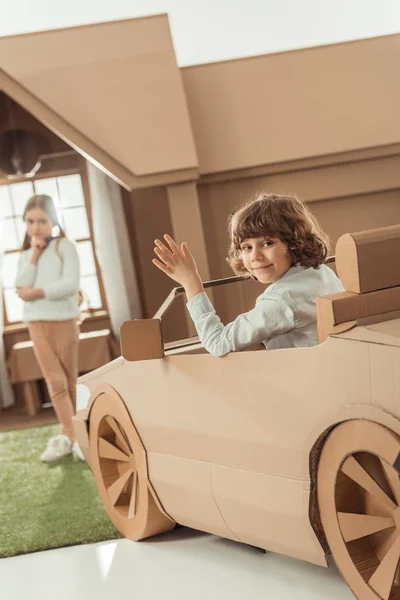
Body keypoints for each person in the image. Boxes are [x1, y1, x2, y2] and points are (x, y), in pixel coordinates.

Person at [152, 193, 344, 356]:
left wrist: (190, 281)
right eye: (246, 247)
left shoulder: (280, 301)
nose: (255, 256)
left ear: (294, 242)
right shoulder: (321, 273)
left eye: (268, 243)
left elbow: (217, 343)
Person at [15, 194, 84, 462]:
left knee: (69, 381)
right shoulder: (26, 254)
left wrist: (38, 292)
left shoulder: (65, 247)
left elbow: (70, 284)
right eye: (30, 221)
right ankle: (71, 435)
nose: (36, 227)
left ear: (53, 219)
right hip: (36, 323)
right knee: (54, 381)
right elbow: (20, 286)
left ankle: (77, 435)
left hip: (64, 321)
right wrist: (33, 254)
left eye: (42, 221)